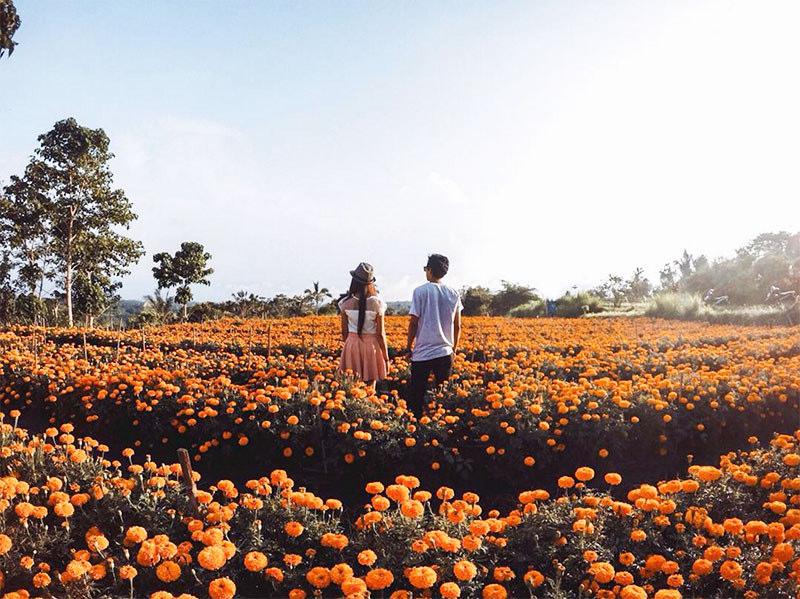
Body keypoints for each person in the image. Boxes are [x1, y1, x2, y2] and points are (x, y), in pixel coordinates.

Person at [405, 254, 463, 417]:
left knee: (417, 395)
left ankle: (415, 427)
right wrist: (454, 349)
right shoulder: (453, 293)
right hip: (445, 352)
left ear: (429, 270)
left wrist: (408, 347)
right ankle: (441, 427)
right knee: (443, 395)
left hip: (422, 352)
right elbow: (458, 325)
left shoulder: (420, 291)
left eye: (426, 269)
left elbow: (414, 323)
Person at [338, 262, 389, 387]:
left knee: (352, 384)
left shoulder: (344, 303)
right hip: (371, 346)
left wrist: (351, 343)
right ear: (371, 283)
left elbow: (344, 332)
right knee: (370, 384)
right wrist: (386, 357)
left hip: (351, 345)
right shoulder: (377, 303)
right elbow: (380, 334)